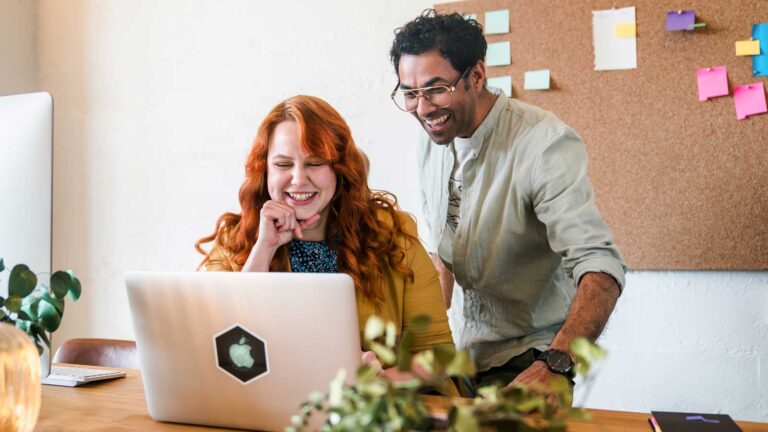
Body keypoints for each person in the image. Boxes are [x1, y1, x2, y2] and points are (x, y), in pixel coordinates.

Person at [389, 10, 627, 395]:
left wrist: (558, 362)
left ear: (477, 76)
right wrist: (412, 345)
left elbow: (601, 266)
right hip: (462, 351)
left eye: (435, 89)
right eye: (410, 93)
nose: (423, 108)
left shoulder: (543, 143)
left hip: (531, 354)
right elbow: (444, 257)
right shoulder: (432, 139)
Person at [194, 95, 453, 357]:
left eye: (315, 163)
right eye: (283, 164)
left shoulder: (392, 235)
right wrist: (264, 249)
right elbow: (219, 353)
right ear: (265, 170)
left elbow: (440, 357)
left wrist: (384, 378)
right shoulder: (233, 240)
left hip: (370, 397)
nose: (298, 179)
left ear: (340, 168)